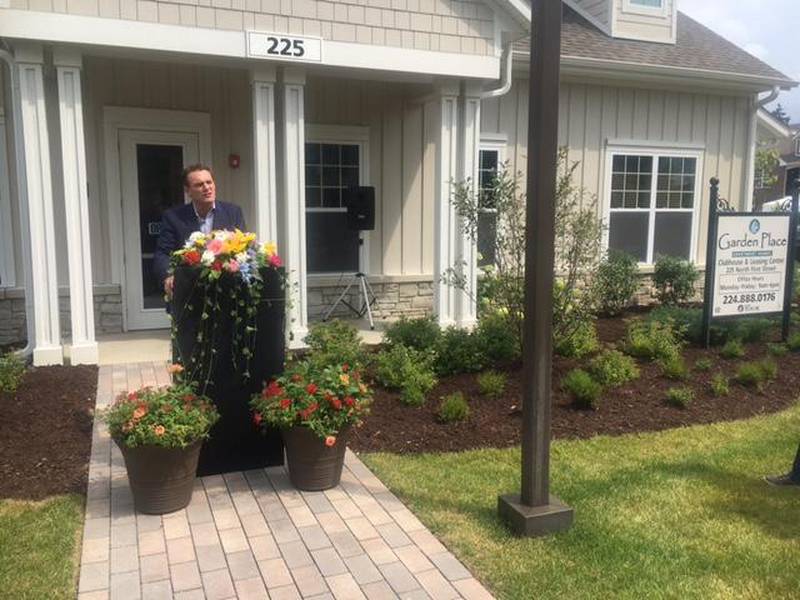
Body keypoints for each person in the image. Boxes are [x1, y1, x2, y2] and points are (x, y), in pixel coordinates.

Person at [153, 164, 247, 298]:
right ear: (188, 191)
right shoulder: (173, 217)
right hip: (189, 291)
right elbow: (163, 253)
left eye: (209, 182)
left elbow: (243, 248)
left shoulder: (233, 212)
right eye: (199, 185)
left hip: (226, 291)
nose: (207, 188)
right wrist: (169, 276)